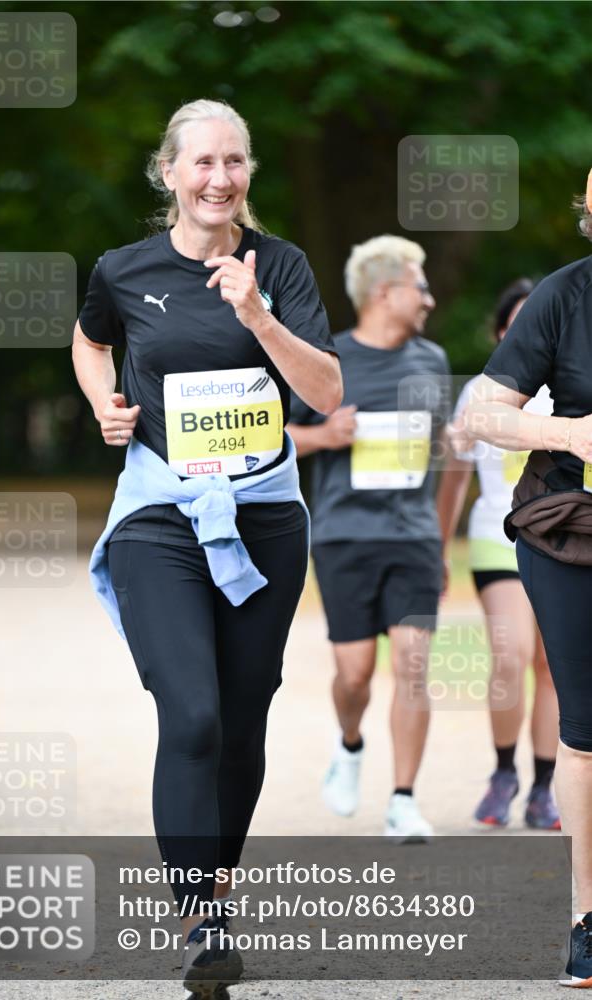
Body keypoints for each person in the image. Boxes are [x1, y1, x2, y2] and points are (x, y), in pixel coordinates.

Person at [72, 98, 342, 997]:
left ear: (248, 172)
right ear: (169, 173)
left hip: (263, 516)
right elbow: (89, 339)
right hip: (160, 514)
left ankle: (216, 887)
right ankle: (198, 918)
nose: (219, 178)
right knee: (190, 713)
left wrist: (260, 315)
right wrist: (104, 402)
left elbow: (325, 392)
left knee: (242, 712)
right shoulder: (123, 267)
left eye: (235, 162)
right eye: (202, 163)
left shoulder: (284, 266)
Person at [463, 172, 592, 988]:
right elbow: (481, 410)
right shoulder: (563, 297)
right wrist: (570, 429)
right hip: (571, 536)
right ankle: (587, 916)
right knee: (584, 725)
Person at [287, 235, 451, 842]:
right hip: (343, 535)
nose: (429, 298)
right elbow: (272, 436)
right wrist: (325, 436)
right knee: (354, 675)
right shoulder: (328, 361)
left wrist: (436, 539)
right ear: (385, 292)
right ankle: (349, 743)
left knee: (412, 666)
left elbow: (438, 457)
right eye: (420, 285)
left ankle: (404, 799)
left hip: (410, 537)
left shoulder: (432, 361)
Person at [437, 278, 561, 830]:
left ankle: (544, 786)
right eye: (513, 324)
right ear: (500, 333)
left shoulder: (570, 386)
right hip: (496, 536)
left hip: (561, 538)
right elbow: (455, 475)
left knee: (551, 666)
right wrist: (439, 547)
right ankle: (503, 772)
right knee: (510, 656)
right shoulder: (481, 393)